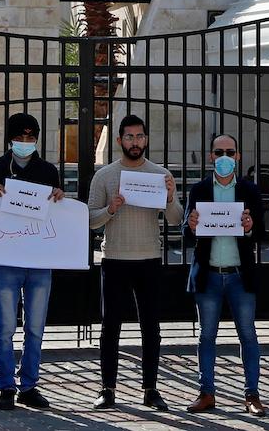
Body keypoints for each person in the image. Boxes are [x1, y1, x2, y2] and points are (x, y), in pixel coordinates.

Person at [87, 114, 183, 411]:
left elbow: (177, 219)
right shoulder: (104, 175)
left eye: (139, 137)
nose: (135, 142)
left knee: (151, 327)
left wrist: (169, 196)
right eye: (129, 137)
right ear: (119, 141)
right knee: (110, 326)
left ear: (146, 140)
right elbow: (90, 220)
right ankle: (107, 388)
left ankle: (151, 389)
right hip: (115, 259)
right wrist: (110, 210)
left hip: (149, 259)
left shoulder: (160, 174)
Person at [0, 113, 65, 411]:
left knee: (35, 326)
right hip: (6, 260)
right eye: (20, 137)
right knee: (5, 326)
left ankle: (29, 385)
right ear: (10, 139)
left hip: (38, 261)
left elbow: (58, 215)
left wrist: (59, 198)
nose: (26, 142)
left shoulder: (49, 171)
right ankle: (6, 386)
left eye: (31, 137)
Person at [181, 134, 266, 416]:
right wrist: (191, 225)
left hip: (240, 275)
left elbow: (262, 233)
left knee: (248, 336)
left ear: (238, 157)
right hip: (209, 275)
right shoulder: (200, 189)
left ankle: (252, 395)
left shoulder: (250, 190)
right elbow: (185, 231)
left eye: (230, 152)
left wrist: (251, 226)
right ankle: (207, 394)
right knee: (206, 337)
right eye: (219, 152)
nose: (225, 157)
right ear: (211, 157)